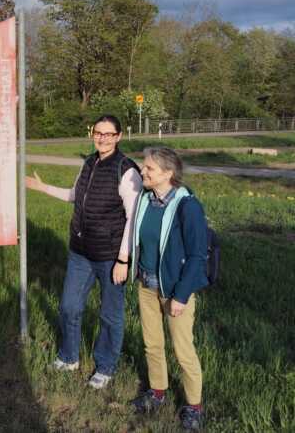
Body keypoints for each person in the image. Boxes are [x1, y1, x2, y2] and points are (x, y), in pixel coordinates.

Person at [26, 115, 142, 389]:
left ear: (118, 136)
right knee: (69, 306)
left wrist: (123, 259)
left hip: (111, 256)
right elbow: (74, 196)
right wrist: (42, 187)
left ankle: (105, 366)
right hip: (80, 252)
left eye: (108, 134)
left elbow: (133, 218)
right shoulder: (89, 163)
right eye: (98, 133)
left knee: (110, 315)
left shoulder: (127, 170)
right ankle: (69, 357)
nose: (102, 138)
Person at [129, 147, 208, 431]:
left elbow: (198, 255)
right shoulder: (146, 199)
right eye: (144, 166)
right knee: (152, 344)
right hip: (146, 285)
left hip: (174, 290)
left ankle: (194, 407)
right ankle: (158, 392)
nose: (143, 171)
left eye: (149, 168)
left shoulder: (188, 206)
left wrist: (181, 296)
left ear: (168, 173)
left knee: (183, 350)